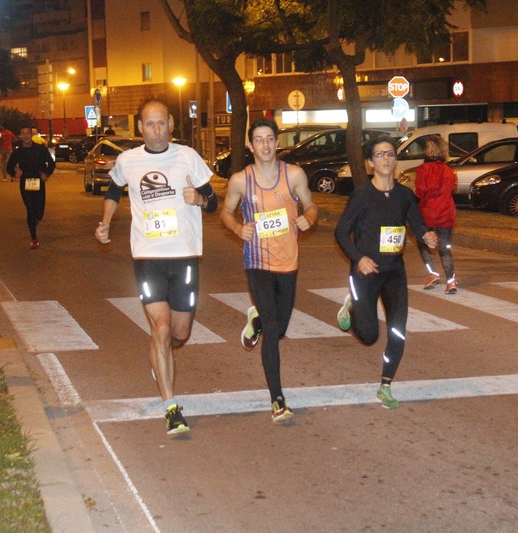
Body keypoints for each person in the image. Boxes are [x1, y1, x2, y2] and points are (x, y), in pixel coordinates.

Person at [95, 98, 215, 435]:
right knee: (160, 329)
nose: (157, 130)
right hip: (148, 257)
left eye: (162, 123)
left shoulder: (188, 156)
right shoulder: (128, 160)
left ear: (171, 125)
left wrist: (200, 199)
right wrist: (105, 222)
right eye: (150, 124)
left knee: (179, 333)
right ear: (140, 128)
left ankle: (160, 358)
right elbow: (114, 190)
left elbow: (213, 201)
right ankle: (170, 407)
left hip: (185, 256)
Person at [220, 117, 318, 423]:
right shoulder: (240, 180)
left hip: (288, 262)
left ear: (277, 142)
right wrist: (238, 228)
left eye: (270, 139)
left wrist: (308, 218)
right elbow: (226, 212)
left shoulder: (294, 175)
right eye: (258, 139)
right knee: (273, 331)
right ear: (251, 146)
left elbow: (311, 205)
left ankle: (258, 319)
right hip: (257, 261)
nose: (265, 145)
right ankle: (277, 399)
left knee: (281, 327)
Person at [334, 135, 438, 409]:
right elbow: (341, 232)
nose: (386, 159)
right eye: (379, 155)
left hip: (394, 271)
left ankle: (386, 385)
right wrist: (359, 258)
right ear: (370, 163)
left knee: (398, 330)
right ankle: (351, 309)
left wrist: (426, 235)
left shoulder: (404, 195)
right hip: (365, 273)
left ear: (395, 160)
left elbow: (417, 223)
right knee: (369, 336)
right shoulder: (362, 196)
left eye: (390, 154)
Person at [414, 134, 457, 294]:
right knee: (444, 247)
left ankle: (432, 273)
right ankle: (451, 281)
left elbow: (420, 192)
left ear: (428, 150)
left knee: (424, 243)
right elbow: (453, 189)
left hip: (427, 212)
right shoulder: (448, 170)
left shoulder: (423, 170)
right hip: (446, 212)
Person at [6, 127, 56, 249]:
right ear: (21, 136)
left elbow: (51, 163)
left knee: (39, 211)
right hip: (25, 182)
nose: (26, 136)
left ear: (31, 135)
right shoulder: (18, 151)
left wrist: (46, 173)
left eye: (28, 133)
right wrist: (15, 173)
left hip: (38, 181)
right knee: (30, 209)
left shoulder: (40, 149)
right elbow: (9, 167)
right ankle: (34, 238)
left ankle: (36, 219)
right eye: (23, 134)